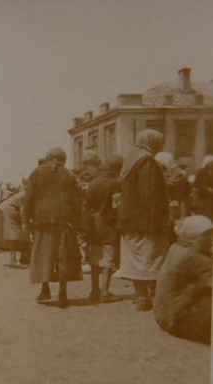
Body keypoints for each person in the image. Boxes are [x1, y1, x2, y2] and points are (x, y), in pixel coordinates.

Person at [118, 129, 170, 311]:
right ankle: (152, 297)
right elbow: (151, 194)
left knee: (135, 261)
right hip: (146, 221)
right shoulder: (147, 161)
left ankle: (140, 296)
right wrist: (161, 220)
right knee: (154, 259)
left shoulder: (131, 159)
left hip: (129, 220)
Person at [25, 147, 82, 308]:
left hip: (42, 220)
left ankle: (45, 289)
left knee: (45, 254)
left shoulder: (36, 173)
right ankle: (63, 292)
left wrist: (26, 221)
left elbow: (28, 199)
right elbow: (77, 203)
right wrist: (77, 223)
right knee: (63, 255)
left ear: (48, 158)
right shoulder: (70, 175)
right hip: (64, 221)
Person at [154, 215, 212, 345]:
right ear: (192, 238)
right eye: (206, 236)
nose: (211, 239)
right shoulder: (193, 257)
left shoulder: (176, 248)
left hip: (165, 315)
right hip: (177, 319)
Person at [84, 153, 124, 303]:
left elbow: (88, 205)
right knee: (108, 259)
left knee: (95, 259)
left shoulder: (95, 183)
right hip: (111, 227)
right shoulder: (120, 183)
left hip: (95, 225)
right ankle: (105, 292)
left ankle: (94, 290)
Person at [0, 178, 31, 268]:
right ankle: (13, 261)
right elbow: (23, 208)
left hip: (8, 208)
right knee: (14, 235)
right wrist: (24, 222)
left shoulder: (25, 191)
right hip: (10, 210)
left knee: (18, 234)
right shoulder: (27, 193)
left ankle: (23, 258)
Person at [193, 155, 213, 221]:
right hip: (203, 197)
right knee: (204, 215)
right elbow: (197, 184)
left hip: (211, 198)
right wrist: (207, 189)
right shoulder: (201, 172)